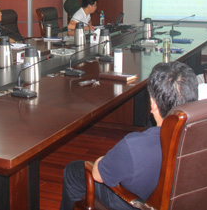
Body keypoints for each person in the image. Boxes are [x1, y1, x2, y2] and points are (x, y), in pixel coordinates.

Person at [60, 61, 198, 210]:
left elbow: (97, 175)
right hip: (181, 200)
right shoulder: (204, 136)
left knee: (73, 170)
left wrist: (100, 161)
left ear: (153, 103)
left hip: (134, 203)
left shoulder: (134, 146)